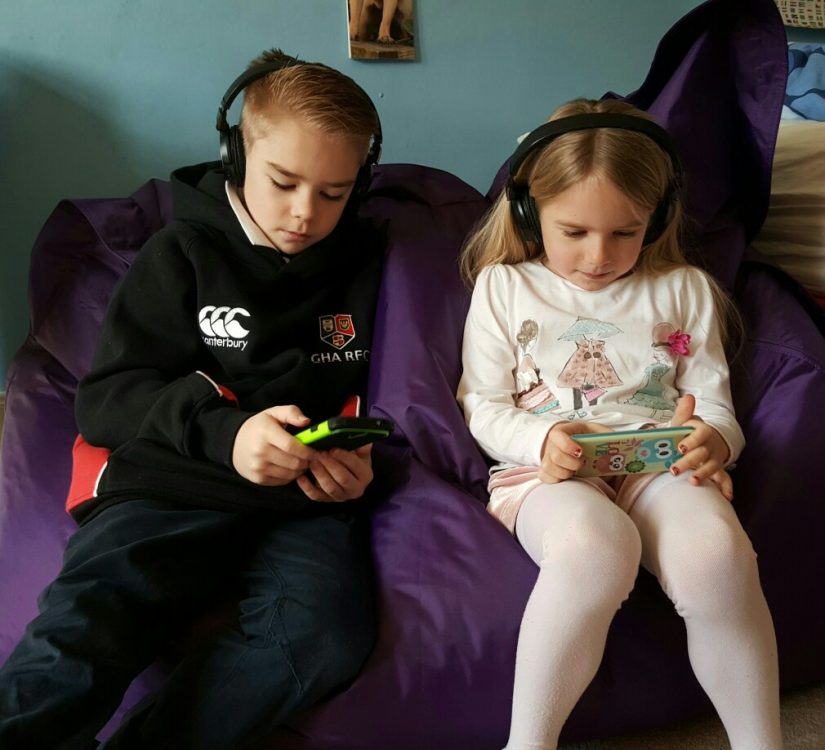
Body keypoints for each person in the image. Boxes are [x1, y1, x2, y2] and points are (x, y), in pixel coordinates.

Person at [0, 48, 386, 750]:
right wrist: (227, 434)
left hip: (299, 503)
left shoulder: (367, 260)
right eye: (283, 183)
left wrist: (359, 468)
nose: (305, 213)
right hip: (173, 482)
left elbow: (388, 403)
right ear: (236, 154)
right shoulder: (180, 253)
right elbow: (108, 397)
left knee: (323, 638)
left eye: (334, 193)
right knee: (86, 625)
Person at [457, 98, 782, 750]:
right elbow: (482, 403)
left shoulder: (684, 288)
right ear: (529, 212)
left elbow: (713, 402)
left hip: (657, 465)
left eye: (624, 232)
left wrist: (714, 441)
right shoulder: (503, 286)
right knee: (594, 548)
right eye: (574, 231)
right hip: (549, 472)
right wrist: (540, 441)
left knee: (717, 556)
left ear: (655, 219)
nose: (598, 255)